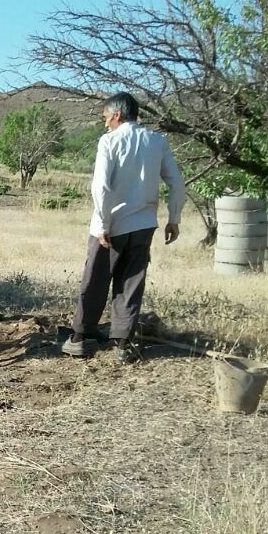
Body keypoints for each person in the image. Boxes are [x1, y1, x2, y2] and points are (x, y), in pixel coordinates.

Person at [62, 92, 185, 362]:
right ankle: (122, 345)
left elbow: (101, 186)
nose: (105, 124)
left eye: (106, 118)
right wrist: (174, 218)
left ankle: (80, 338)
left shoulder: (109, 141)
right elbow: (176, 181)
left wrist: (103, 223)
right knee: (131, 283)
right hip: (143, 224)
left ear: (117, 115)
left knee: (95, 280)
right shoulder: (157, 141)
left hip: (111, 224)